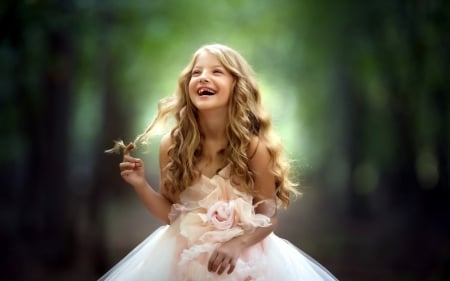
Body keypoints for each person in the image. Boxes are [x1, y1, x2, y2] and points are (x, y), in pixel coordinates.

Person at [100, 43, 338, 280]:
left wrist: (237, 244)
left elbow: (269, 217)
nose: (203, 78)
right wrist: (141, 184)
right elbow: (171, 215)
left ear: (237, 84)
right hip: (184, 259)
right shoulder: (172, 145)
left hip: (246, 262)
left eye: (216, 72)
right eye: (196, 72)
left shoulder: (254, 148)